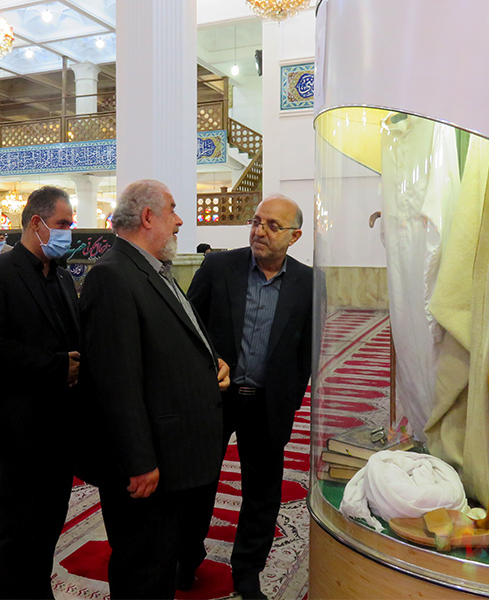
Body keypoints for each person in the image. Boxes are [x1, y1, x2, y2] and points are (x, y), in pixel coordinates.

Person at [77, 179, 230, 599]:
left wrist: (210, 361)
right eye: (173, 209)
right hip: (147, 467)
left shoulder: (152, 269)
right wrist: (139, 461)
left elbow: (169, 342)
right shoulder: (112, 276)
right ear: (148, 217)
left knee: (160, 564)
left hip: (173, 456)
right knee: (143, 569)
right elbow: (116, 381)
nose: (180, 221)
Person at [187, 194, 313, 600]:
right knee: (197, 482)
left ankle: (247, 570)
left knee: (262, 493)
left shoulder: (309, 283)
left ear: (294, 236)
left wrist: (289, 399)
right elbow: (189, 327)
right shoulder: (219, 268)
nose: (260, 231)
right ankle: (185, 559)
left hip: (267, 404)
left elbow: (307, 352)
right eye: (257, 221)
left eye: (272, 226)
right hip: (216, 398)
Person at [0, 186, 80, 599]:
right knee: (20, 527)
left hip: (62, 423)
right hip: (21, 423)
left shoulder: (62, 275)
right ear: (37, 223)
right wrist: (56, 366)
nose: (69, 231)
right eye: (63, 223)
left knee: (51, 520)